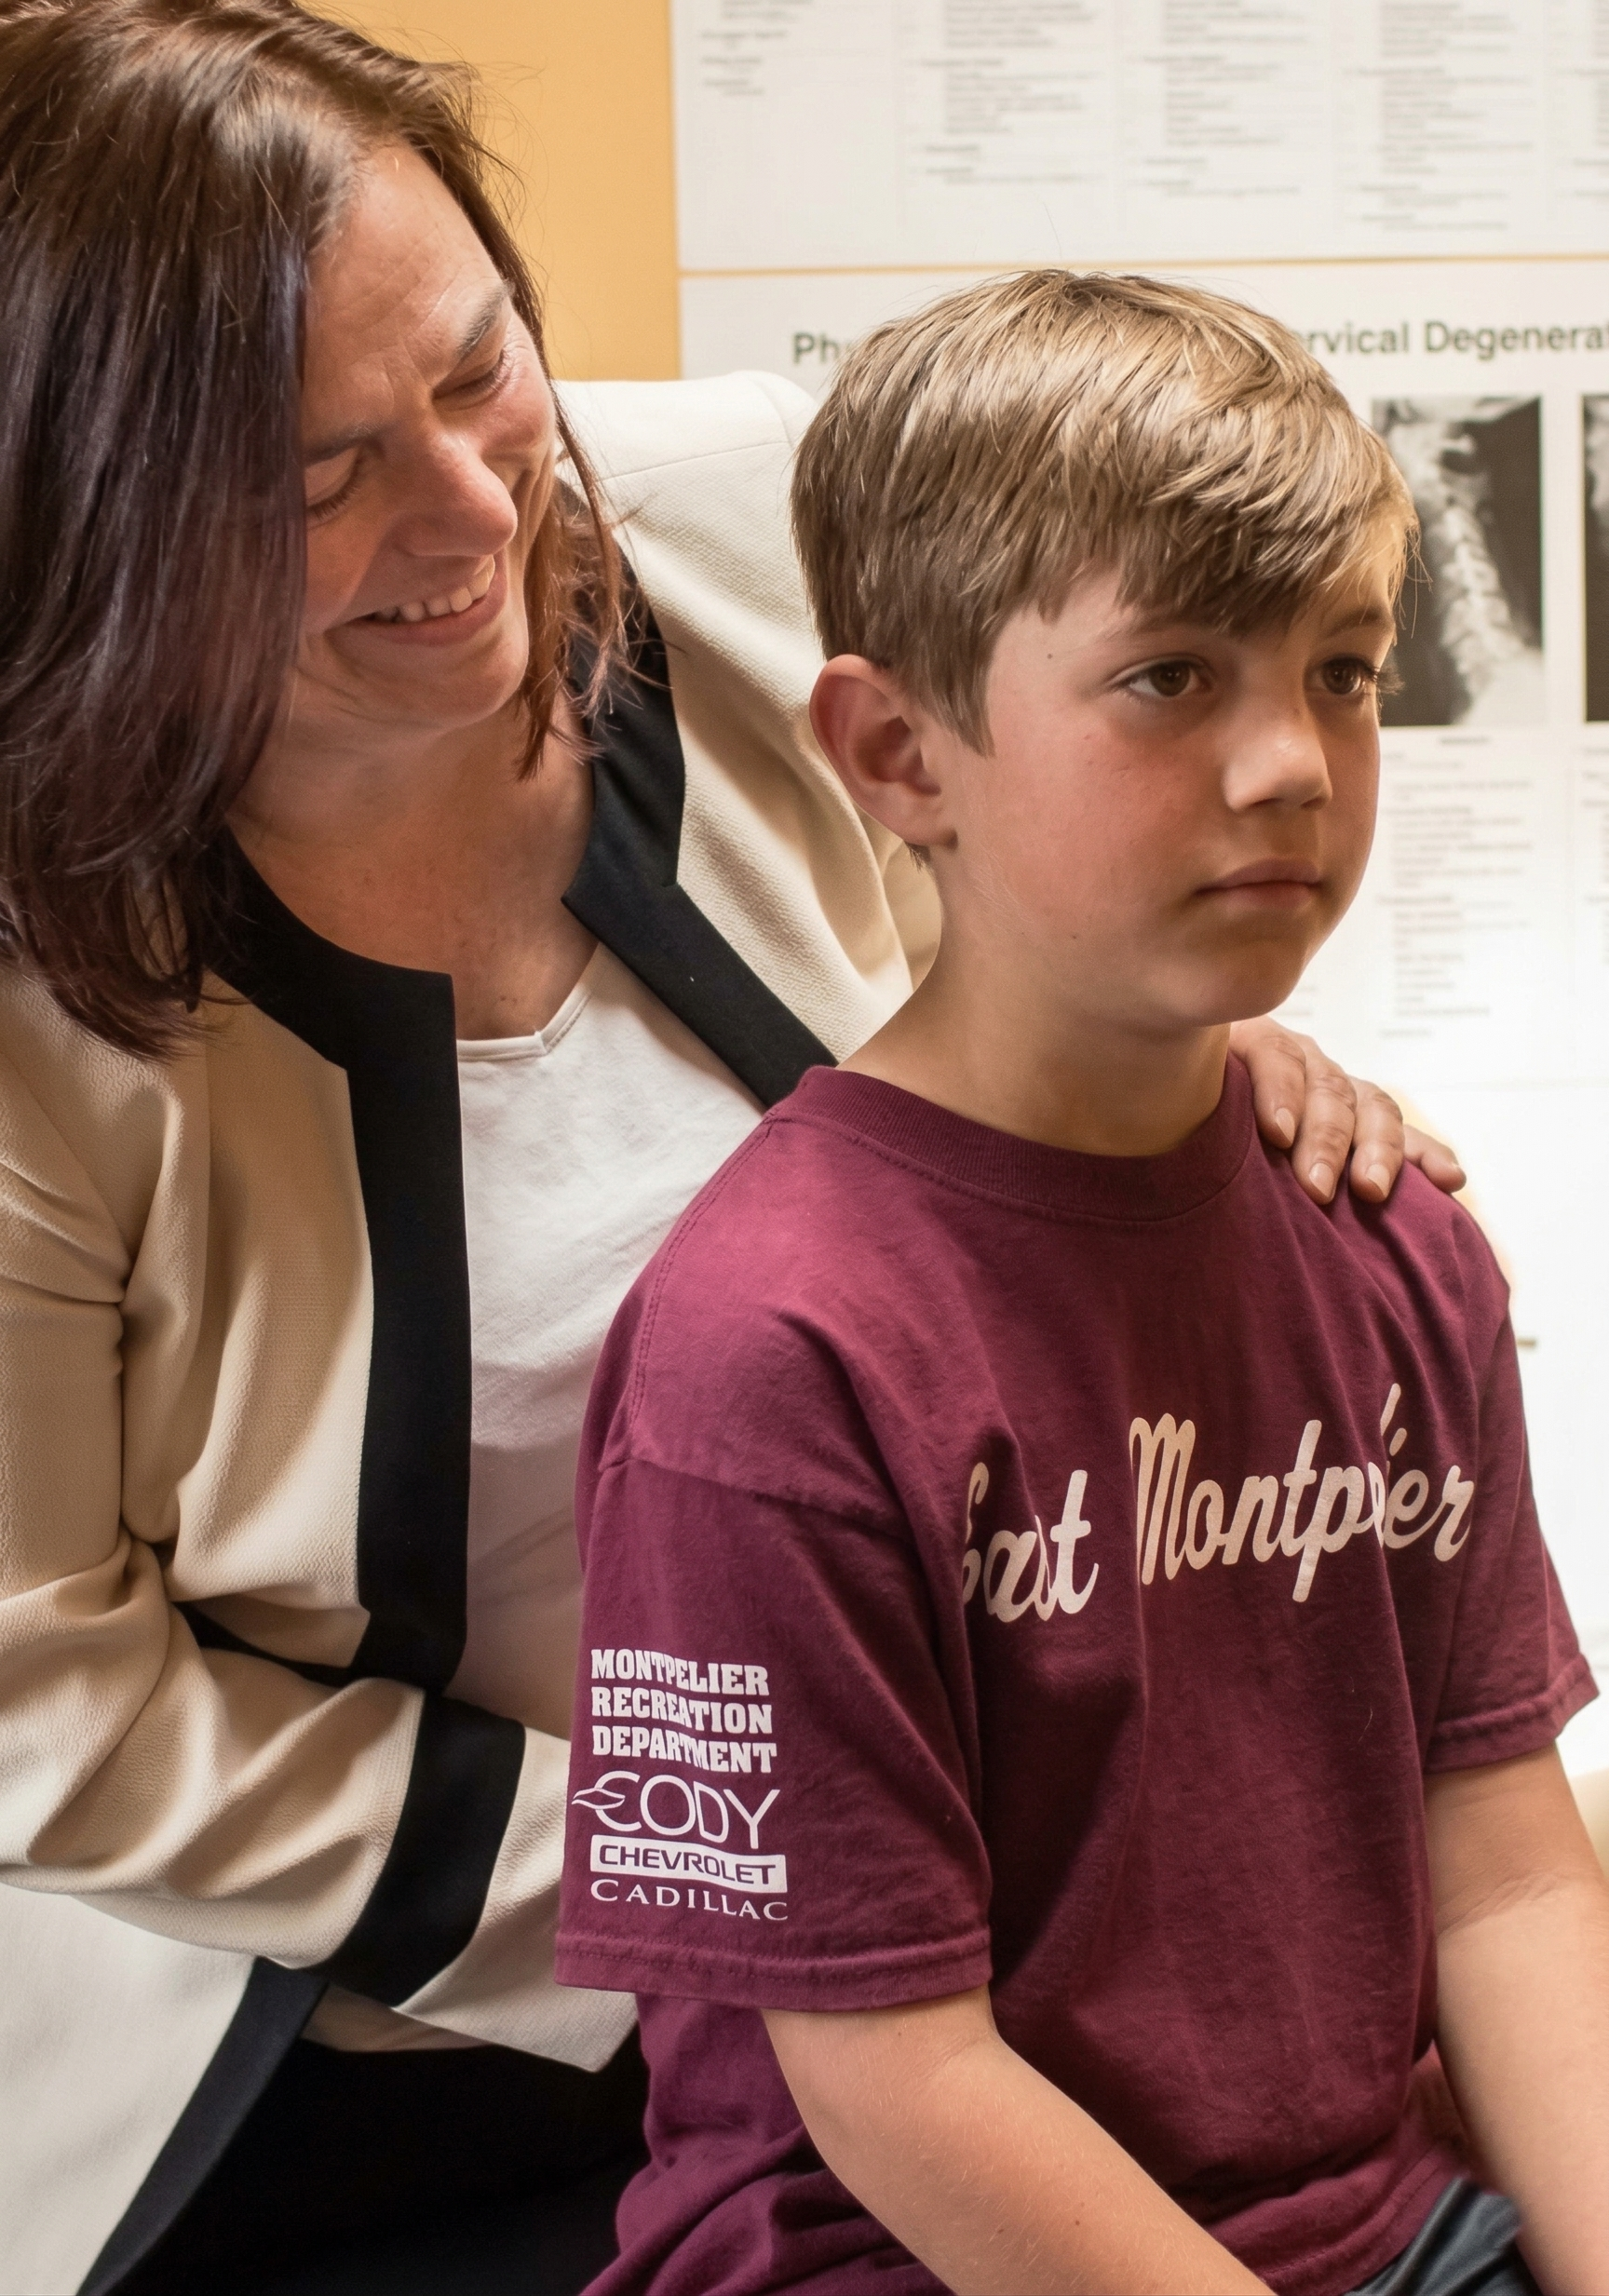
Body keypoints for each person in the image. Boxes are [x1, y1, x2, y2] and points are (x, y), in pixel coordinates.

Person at [0, 5, 1462, 2289]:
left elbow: (1078, 829)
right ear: (72, 519)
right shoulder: (31, 1002)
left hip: (1005, 1934)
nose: (479, 516)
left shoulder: (749, 519)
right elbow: (37, 1707)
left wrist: (1199, 1054)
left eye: (482, 368)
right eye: (311, 478)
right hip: (373, 2064)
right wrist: (756, 1891)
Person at [554, 273, 1609, 2296]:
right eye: (1172, 680)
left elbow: (1508, 1886)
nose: (1293, 762)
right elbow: (890, 2075)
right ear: (894, 751)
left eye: (1347, 672)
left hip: (1376, 2235)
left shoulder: (1401, 1253)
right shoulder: (766, 1349)